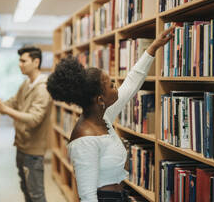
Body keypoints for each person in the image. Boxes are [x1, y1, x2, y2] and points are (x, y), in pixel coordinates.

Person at [46, 27, 175, 202]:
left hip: (119, 196)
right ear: (100, 99)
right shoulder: (85, 139)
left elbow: (131, 84)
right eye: (112, 85)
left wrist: (152, 49)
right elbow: (87, 196)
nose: (117, 87)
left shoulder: (101, 116)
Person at [0, 46, 52, 202]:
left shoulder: (43, 89)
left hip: (33, 151)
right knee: (26, 189)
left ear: (36, 62)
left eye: (23, 61)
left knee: (36, 195)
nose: (20, 64)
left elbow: (34, 119)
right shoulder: (26, 84)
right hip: (22, 146)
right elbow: (12, 103)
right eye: (19, 61)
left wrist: (4, 109)